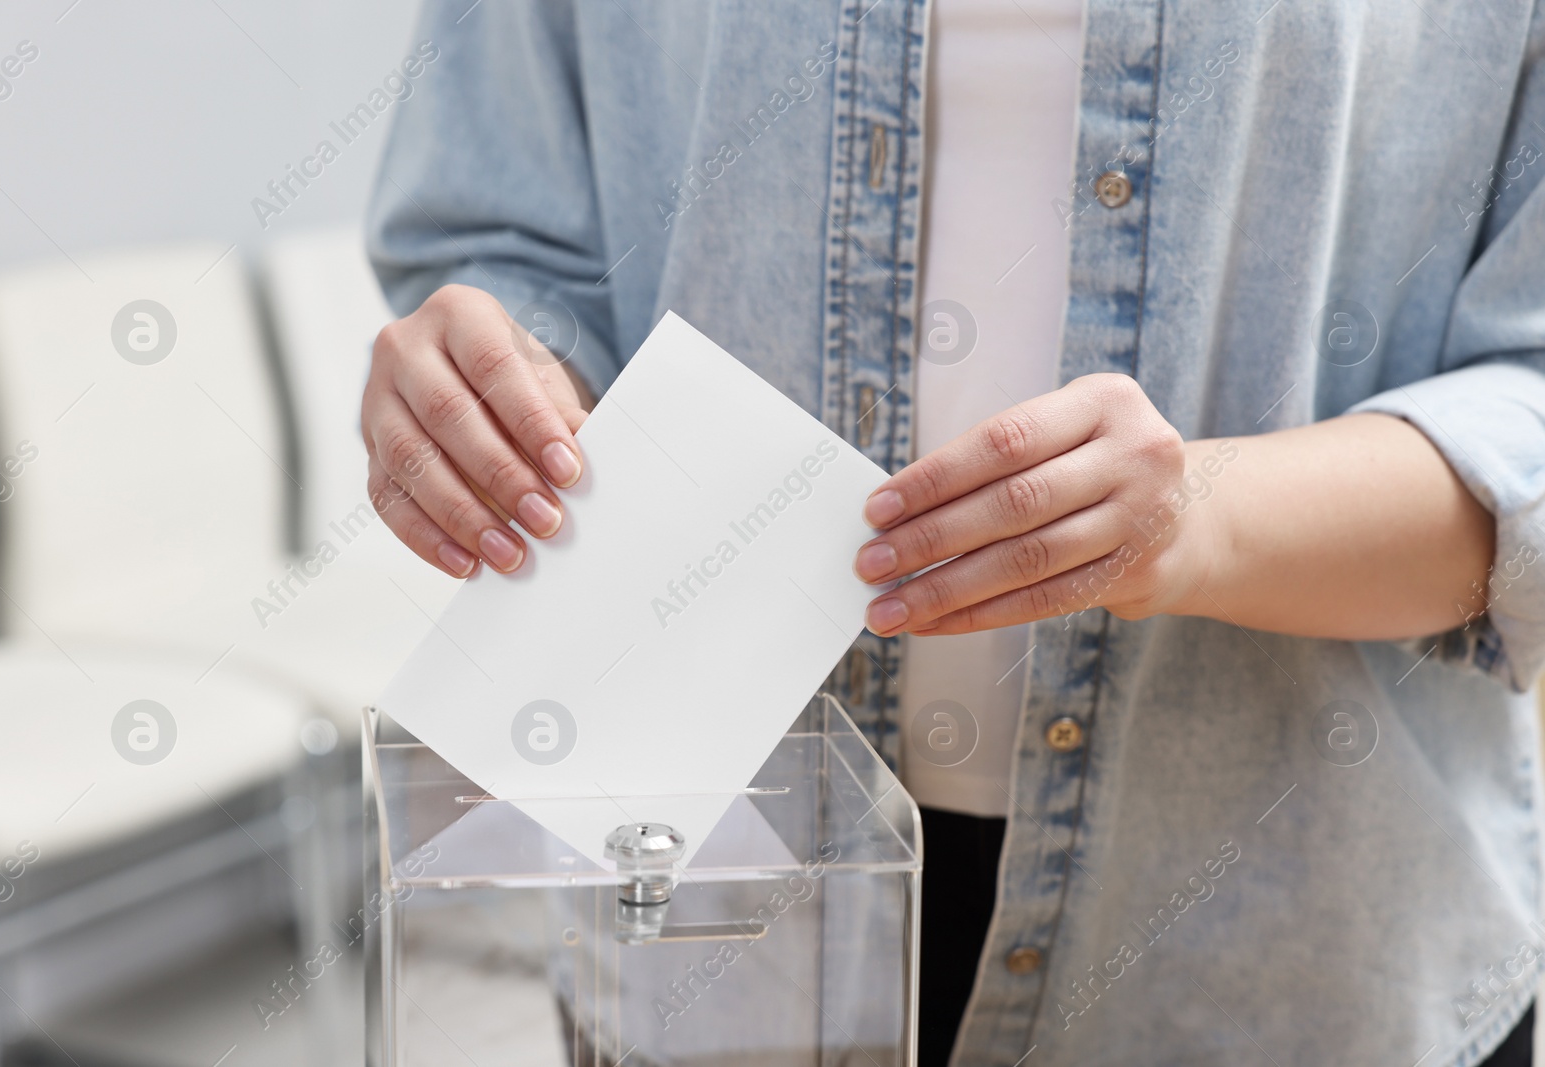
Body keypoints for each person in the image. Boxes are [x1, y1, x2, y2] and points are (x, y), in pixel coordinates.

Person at [360, 0, 1545, 1063]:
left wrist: (1200, 518)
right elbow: (502, 231)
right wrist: (500, 385)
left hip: (1281, 950)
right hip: (714, 938)